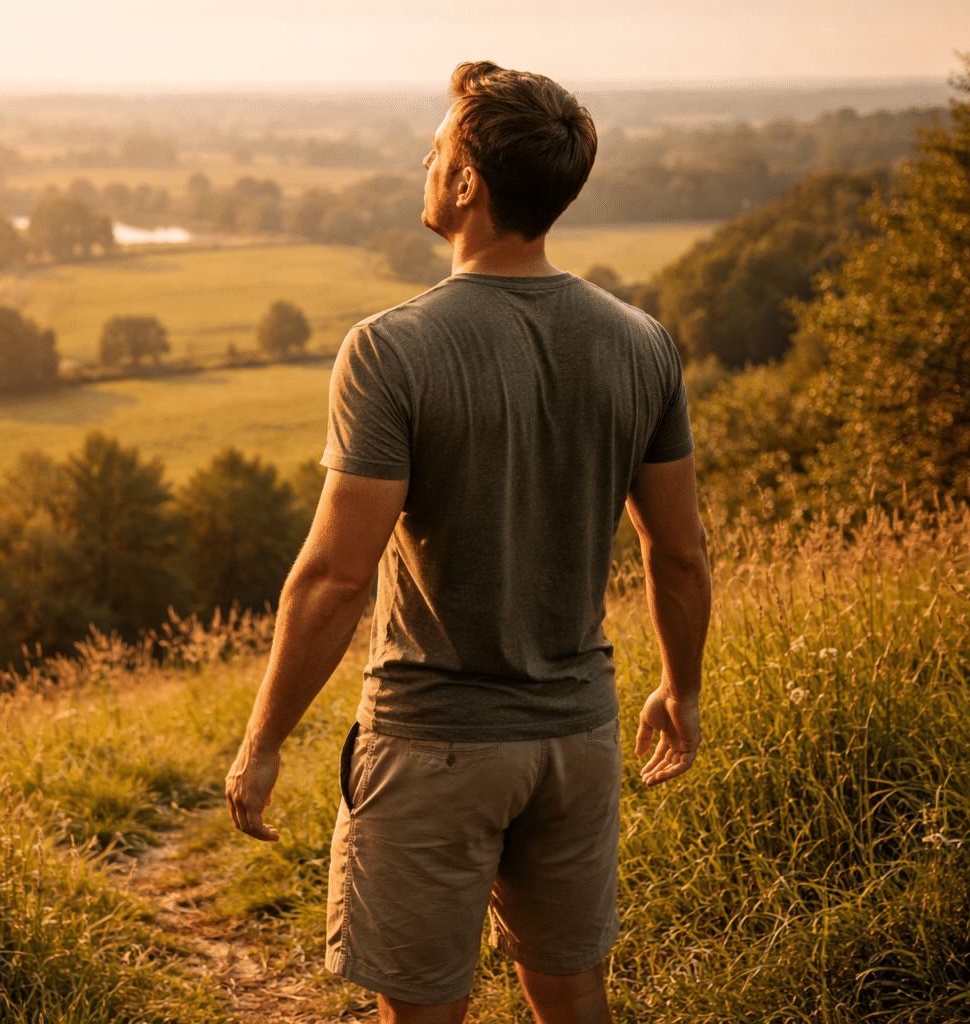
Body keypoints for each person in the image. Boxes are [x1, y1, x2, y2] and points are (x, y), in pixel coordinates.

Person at [226, 60, 710, 1024]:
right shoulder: (641, 343)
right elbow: (680, 550)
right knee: (575, 1001)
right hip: (579, 738)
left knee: (423, 1010)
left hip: (434, 743)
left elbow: (332, 577)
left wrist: (261, 742)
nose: (425, 155)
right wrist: (680, 688)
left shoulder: (391, 348)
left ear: (466, 184)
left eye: (439, 144)